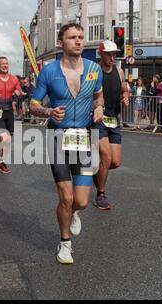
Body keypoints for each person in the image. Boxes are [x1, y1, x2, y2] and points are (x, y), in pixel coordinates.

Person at [30, 23, 104, 264]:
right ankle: (64, 243)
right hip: (58, 137)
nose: (79, 41)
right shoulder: (49, 71)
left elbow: (98, 95)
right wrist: (49, 111)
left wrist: (100, 106)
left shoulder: (94, 69)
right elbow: (33, 105)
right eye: (72, 37)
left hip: (83, 138)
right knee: (66, 196)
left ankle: (73, 214)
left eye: (81, 37)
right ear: (61, 43)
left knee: (81, 201)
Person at [93, 40, 129, 210]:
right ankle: (101, 194)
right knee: (106, 156)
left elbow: (124, 87)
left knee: (114, 162)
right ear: (101, 54)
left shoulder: (119, 71)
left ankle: (97, 170)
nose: (112, 57)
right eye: (109, 53)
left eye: (114, 53)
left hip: (114, 119)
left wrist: (126, 95)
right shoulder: (94, 71)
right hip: (98, 119)